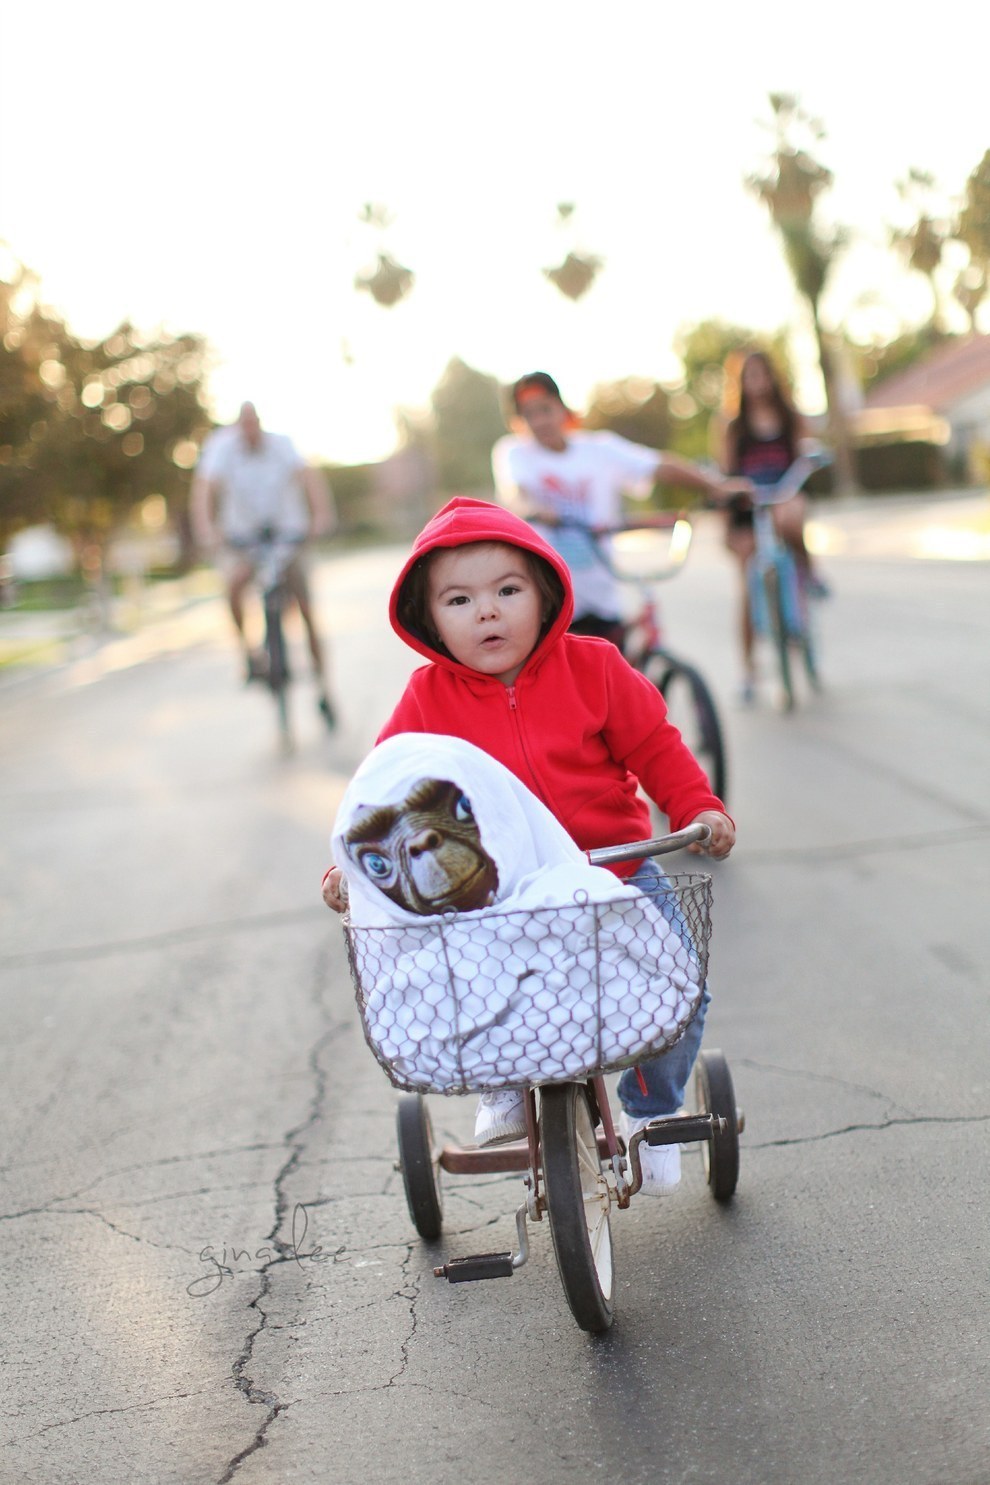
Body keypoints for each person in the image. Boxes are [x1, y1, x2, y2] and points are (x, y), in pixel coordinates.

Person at [322, 496, 735, 1191]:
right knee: (485, 987)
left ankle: (651, 1107)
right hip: (501, 895)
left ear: (544, 595)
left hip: (616, 871)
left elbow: (655, 746)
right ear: (431, 620)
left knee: (676, 989)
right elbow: (385, 794)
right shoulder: (427, 699)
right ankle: (507, 1084)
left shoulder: (595, 666)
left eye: (507, 591)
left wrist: (697, 804)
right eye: (459, 599)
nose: (487, 611)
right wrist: (351, 868)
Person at [491, 370, 746, 647]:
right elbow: (517, 494)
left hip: (602, 596)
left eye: (545, 409)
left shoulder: (599, 449)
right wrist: (537, 510)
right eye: (529, 414)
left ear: (563, 409)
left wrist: (716, 486)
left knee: (616, 674)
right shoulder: (515, 453)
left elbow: (659, 466)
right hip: (550, 601)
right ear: (520, 422)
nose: (540, 421)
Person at [191, 402, 337, 723]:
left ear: (260, 423)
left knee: (306, 607)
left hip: (288, 536)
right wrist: (206, 527)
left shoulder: (282, 445)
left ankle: (324, 688)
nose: (249, 430)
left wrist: (320, 516)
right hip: (245, 540)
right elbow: (204, 489)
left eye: (254, 423)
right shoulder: (221, 448)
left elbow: (309, 477)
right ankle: (248, 653)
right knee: (233, 586)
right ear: (236, 426)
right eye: (243, 425)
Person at [714, 349, 829, 703]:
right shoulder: (733, 426)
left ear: (772, 377)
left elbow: (804, 459)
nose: (757, 382)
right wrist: (728, 524)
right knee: (748, 583)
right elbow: (724, 477)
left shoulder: (790, 417)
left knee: (788, 517)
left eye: (762, 374)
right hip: (748, 509)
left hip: (785, 494)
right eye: (750, 376)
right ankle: (748, 670)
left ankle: (808, 573)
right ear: (741, 383)